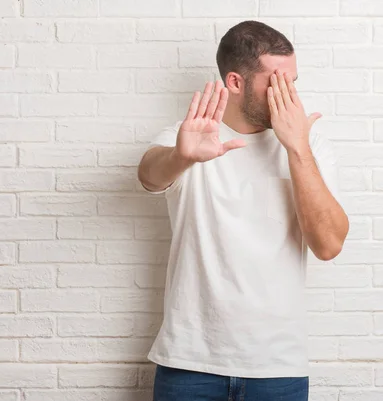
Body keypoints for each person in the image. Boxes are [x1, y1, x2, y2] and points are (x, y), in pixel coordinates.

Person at [137, 20, 349, 401]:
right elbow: (149, 176)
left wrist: (296, 148)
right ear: (235, 83)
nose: (289, 97)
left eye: (293, 83)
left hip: (277, 368)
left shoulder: (309, 144)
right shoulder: (191, 136)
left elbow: (329, 245)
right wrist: (180, 157)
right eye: (277, 83)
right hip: (190, 363)